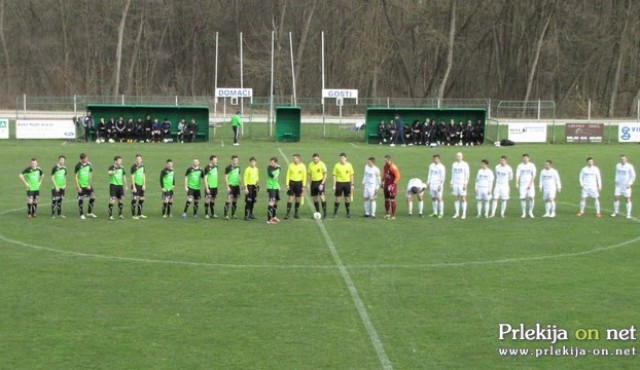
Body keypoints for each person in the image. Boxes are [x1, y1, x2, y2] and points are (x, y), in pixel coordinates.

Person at [332, 152, 355, 219]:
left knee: (347, 198)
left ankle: (348, 213)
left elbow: (351, 175)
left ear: (346, 158)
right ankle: (335, 213)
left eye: (342, 158)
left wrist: (352, 184)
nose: (341, 159)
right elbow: (334, 176)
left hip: (347, 183)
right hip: (339, 183)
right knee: (337, 198)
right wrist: (334, 185)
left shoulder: (349, 165)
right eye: (340, 158)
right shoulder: (336, 165)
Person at [74, 153, 97, 219]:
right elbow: (75, 176)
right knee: (81, 199)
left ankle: (89, 213)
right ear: (82, 159)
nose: (87, 159)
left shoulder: (89, 164)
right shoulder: (78, 166)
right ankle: (81, 214)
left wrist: (89, 184)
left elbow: (90, 174)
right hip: (81, 185)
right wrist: (78, 187)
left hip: (88, 185)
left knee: (93, 197)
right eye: (86, 158)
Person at [285, 154, 307, 219]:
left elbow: (304, 176)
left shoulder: (303, 166)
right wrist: (287, 184)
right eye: (293, 158)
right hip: (291, 183)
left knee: (297, 199)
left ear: (298, 159)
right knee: (290, 198)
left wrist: (303, 186)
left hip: (299, 184)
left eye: (294, 158)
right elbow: (288, 175)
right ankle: (287, 213)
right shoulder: (290, 165)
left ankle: (296, 213)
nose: (293, 159)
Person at [515, 153, 537, 219]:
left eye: (526, 158)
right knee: (523, 198)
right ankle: (524, 213)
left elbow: (533, 175)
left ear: (528, 158)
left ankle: (530, 212)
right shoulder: (519, 166)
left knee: (531, 197)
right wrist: (516, 183)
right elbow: (517, 175)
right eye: (523, 158)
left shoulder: (532, 165)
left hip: (530, 184)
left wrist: (530, 184)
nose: (524, 159)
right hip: (522, 185)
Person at [307, 153, 328, 218]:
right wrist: (308, 183)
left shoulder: (322, 164)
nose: (314, 160)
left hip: (320, 182)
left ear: (319, 158)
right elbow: (309, 174)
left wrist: (322, 183)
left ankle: (324, 213)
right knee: (314, 198)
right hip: (313, 183)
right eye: (313, 159)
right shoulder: (310, 164)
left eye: (316, 159)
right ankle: (318, 212)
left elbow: (325, 174)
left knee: (322, 197)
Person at [450, 152, 470, 219]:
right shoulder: (454, 164)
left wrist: (465, 183)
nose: (458, 157)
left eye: (459, 156)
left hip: (462, 183)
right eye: (457, 156)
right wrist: (451, 183)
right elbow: (452, 174)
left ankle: (464, 213)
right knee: (456, 198)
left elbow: (467, 175)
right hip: (455, 183)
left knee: (463, 198)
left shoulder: (465, 164)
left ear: (462, 157)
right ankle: (457, 213)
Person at [107, 156, 127, 220]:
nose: (120, 162)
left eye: (121, 161)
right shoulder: (112, 167)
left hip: (120, 186)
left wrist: (126, 185)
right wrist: (113, 172)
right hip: (113, 185)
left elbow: (124, 176)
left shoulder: (122, 167)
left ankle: (120, 214)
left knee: (121, 200)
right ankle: (110, 215)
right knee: (112, 200)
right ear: (115, 161)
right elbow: (109, 173)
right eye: (119, 161)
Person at [426, 154, 445, 218]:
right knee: (433, 198)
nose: (435, 160)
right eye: (434, 159)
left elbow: (442, 177)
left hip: (438, 184)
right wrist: (428, 183)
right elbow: (429, 174)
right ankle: (435, 212)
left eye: (436, 159)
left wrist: (440, 185)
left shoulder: (442, 167)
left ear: (439, 159)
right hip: (432, 184)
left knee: (439, 198)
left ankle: (441, 213)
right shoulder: (431, 166)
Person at [382, 154, 400, 219]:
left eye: (385, 160)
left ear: (389, 160)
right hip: (386, 185)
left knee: (392, 199)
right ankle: (387, 214)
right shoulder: (385, 166)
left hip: (392, 185)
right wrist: (382, 181)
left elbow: (398, 176)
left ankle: (393, 215)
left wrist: (394, 184)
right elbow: (384, 174)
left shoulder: (393, 167)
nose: (384, 160)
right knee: (386, 199)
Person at [224, 155, 242, 220]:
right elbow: (226, 177)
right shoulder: (228, 167)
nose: (235, 161)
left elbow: (239, 176)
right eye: (234, 160)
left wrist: (241, 184)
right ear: (231, 160)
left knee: (235, 200)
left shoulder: (238, 167)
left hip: (236, 186)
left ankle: (233, 214)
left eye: (237, 160)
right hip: (231, 185)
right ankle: (225, 215)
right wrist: (227, 186)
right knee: (229, 199)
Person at [130, 154, 146, 219]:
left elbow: (144, 176)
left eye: (139, 159)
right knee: (134, 199)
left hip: (141, 185)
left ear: (141, 159)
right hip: (135, 185)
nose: (138, 160)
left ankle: (139, 214)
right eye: (137, 159)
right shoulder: (133, 167)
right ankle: (133, 215)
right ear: (135, 160)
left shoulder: (143, 166)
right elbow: (132, 177)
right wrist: (133, 187)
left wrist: (144, 184)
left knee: (142, 199)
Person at [266, 157, 282, 224]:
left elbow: (279, 169)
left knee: (276, 201)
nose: (271, 163)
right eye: (270, 162)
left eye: (272, 162)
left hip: (276, 187)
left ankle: (274, 216)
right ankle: (269, 220)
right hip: (271, 187)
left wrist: (278, 185)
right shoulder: (269, 168)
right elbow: (271, 174)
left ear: (276, 162)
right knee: (271, 202)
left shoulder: (279, 167)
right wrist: (275, 176)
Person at [204, 155, 219, 219]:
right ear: (211, 160)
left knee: (213, 200)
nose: (216, 161)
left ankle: (212, 214)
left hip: (215, 186)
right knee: (208, 200)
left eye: (216, 160)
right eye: (214, 160)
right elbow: (205, 178)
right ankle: (206, 214)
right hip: (209, 186)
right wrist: (207, 188)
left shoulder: (216, 166)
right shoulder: (207, 168)